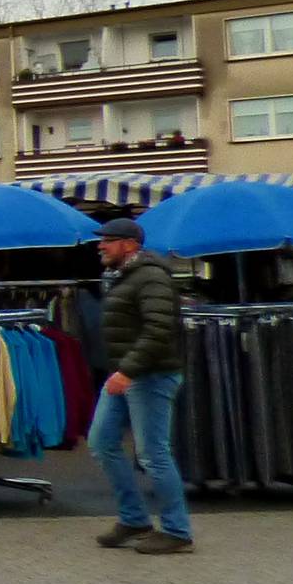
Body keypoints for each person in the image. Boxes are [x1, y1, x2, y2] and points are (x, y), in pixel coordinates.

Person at [90, 218, 192, 555]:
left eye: (108, 240)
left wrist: (128, 371)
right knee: (102, 441)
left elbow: (159, 329)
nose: (101, 245)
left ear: (130, 244)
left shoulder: (150, 276)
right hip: (126, 373)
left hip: (150, 375)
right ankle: (134, 518)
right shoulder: (124, 277)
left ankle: (177, 531)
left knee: (153, 454)